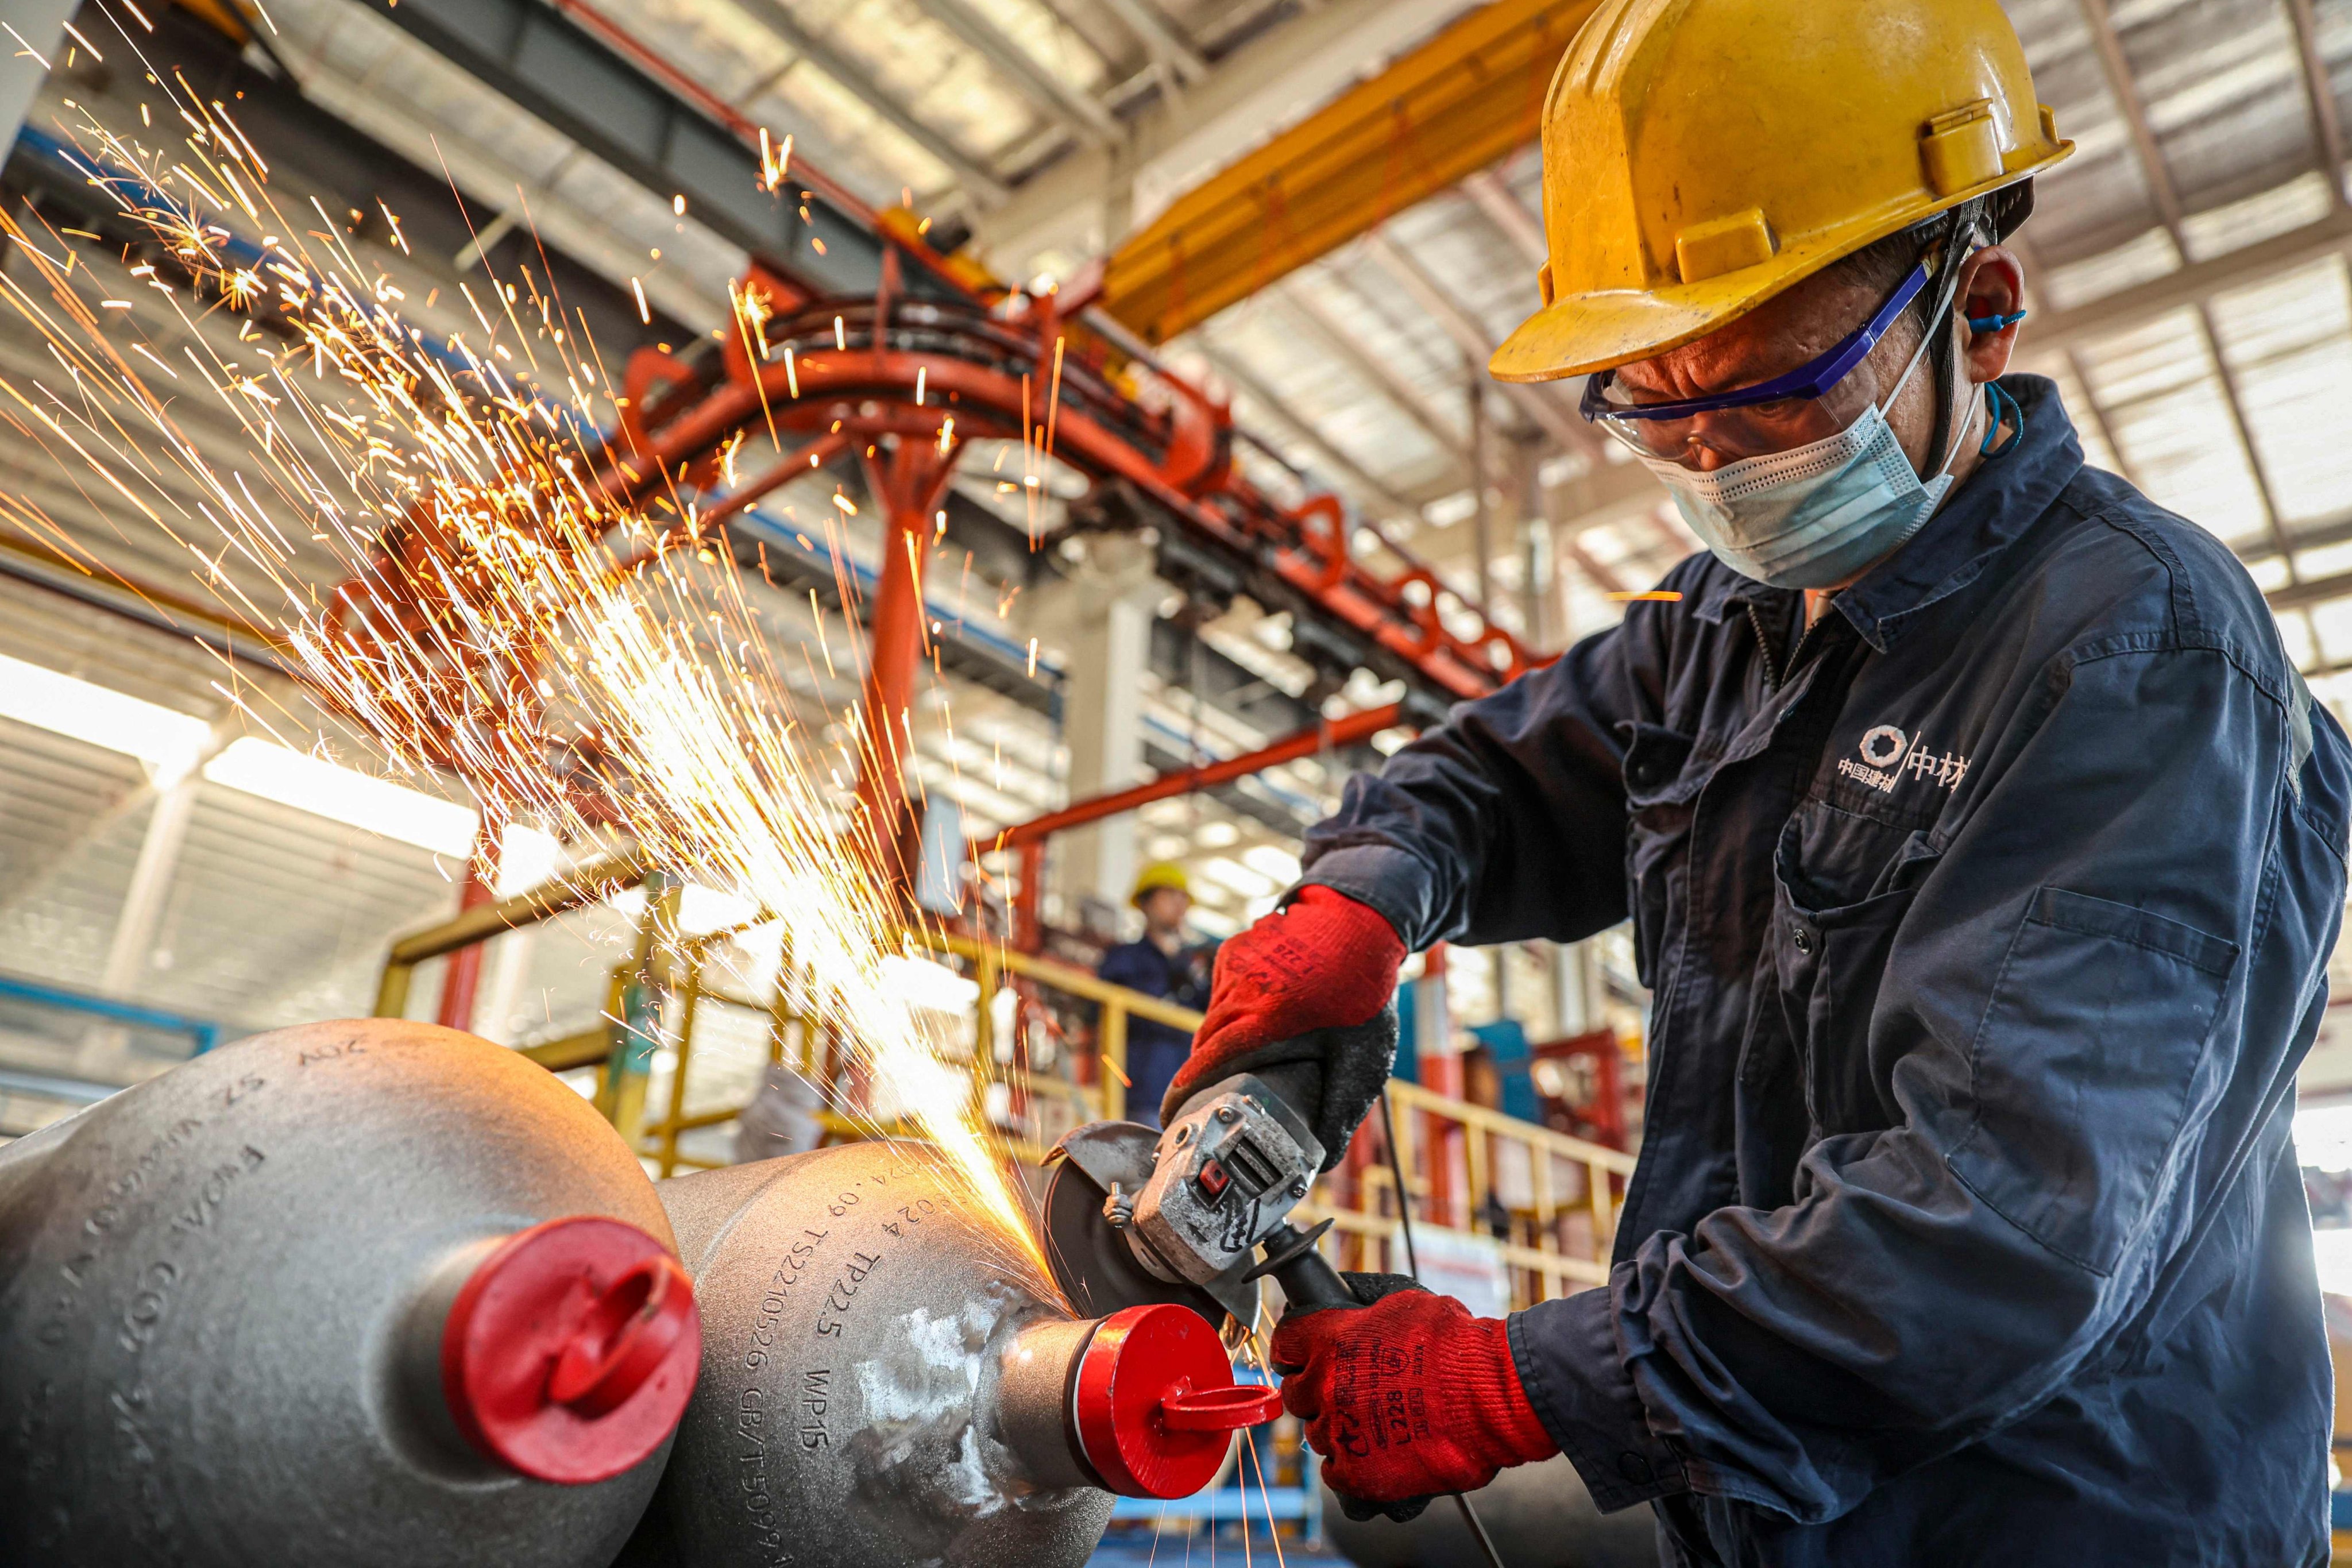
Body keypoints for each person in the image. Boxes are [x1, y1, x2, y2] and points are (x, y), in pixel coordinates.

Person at [1164, 2, 2352, 1562]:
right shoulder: (1728, 625)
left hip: (2049, 1521)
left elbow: (1994, 1232)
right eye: (1657, 404)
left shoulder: (2133, 653)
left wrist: (1518, 1382)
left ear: (1975, 311)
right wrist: (1354, 909)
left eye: (1774, 394)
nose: (1717, 466)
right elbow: (1497, 774)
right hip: (1771, 1520)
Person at [1096, 862, 1215, 1124]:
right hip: (1138, 1093)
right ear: (1146, 903)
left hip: (1186, 1101)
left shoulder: (1191, 968)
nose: (1179, 904)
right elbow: (1100, 1011)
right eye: (1170, 895)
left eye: (1183, 897)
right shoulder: (1125, 958)